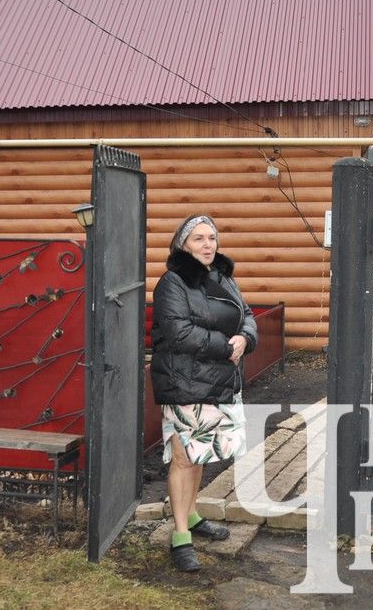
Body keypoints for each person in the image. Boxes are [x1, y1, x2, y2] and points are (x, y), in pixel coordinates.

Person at [150, 214, 258, 572]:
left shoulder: (223, 277)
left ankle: (192, 514)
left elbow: (247, 313)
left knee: (199, 455)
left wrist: (246, 338)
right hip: (185, 383)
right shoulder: (172, 283)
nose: (208, 244)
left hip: (218, 381)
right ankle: (181, 536)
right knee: (183, 457)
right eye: (198, 238)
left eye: (211, 237)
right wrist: (227, 347)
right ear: (183, 244)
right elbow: (179, 332)